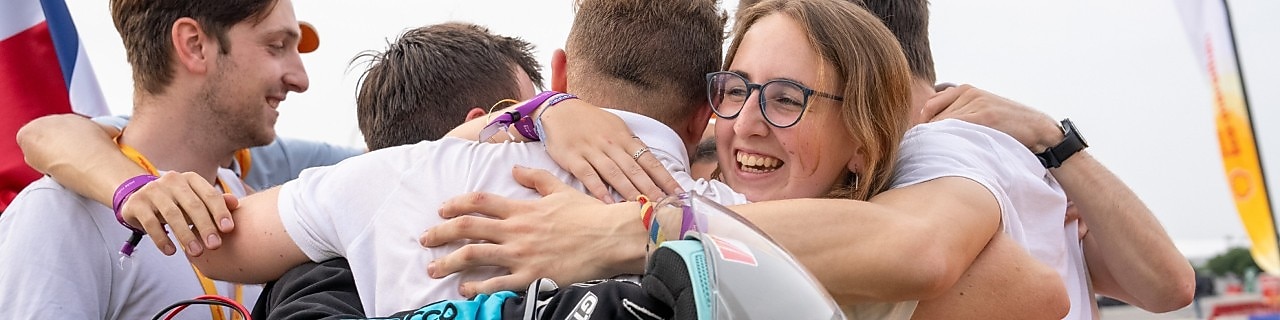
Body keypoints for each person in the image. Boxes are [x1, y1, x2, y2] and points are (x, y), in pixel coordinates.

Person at [182, 0, 734, 315]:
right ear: (702, 118)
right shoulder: (742, 224)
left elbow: (218, 243)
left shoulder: (388, 179)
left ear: (560, 73)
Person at [0, 0, 309, 317]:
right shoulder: (60, 211)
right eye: (276, 46)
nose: (301, 80)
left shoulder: (260, 212)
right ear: (194, 45)